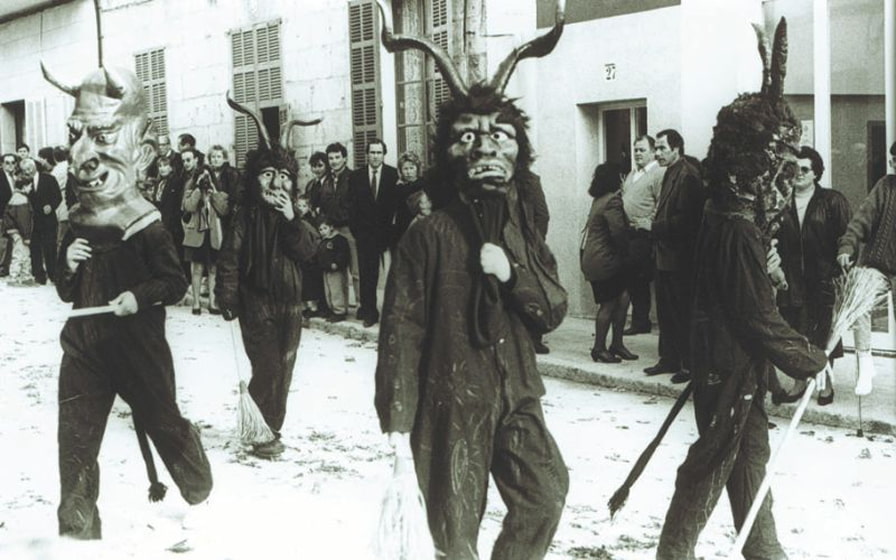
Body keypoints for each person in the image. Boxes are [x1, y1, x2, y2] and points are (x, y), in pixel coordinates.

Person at [374, 3, 568, 556]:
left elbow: (553, 307)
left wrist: (512, 275)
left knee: (546, 495)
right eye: (468, 139)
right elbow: (401, 330)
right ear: (447, 153)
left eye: (501, 137)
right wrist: (396, 416)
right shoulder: (427, 234)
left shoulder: (522, 221)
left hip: (518, 394)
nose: (486, 149)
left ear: (518, 149)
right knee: (453, 528)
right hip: (450, 400)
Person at [655, 19, 829, 559]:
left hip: (734, 367)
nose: (783, 185)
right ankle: (675, 552)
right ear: (749, 170)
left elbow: (754, 301)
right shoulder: (733, 227)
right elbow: (756, 317)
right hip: (726, 367)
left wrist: (772, 273)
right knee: (711, 465)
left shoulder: (733, 221)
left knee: (750, 460)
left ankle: (764, 550)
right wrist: (810, 357)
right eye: (776, 171)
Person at [44, 63, 212, 539]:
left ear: (141, 149)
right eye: (77, 135)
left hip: (138, 347)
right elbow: (65, 291)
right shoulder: (76, 219)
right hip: (84, 347)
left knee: (164, 424)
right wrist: (70, 265)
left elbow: (173, 283)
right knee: (74, 438)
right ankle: (77, 528)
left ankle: (198, 488)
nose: (81, 156)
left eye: (101, 135)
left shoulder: (147, 223)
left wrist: (138, 298)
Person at [215, 97, 319, 459]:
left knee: (285, 367)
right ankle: (259, 426)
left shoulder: (296, 217)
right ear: (255, 178)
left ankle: (270, 428)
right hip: (255, 300)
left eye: (284, 176)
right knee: (268, 364)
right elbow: (229, 257)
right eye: (268, 174)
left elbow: (309, 252)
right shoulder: (245, 216)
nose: (276, 182)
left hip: (290, 302)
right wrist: (227, 296)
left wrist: (292, 219)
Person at [770, 146, 850, 406]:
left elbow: (846, 238)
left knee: (824, 332)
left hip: (823, 278)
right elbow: (772, 239)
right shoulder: (780, 202)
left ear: (816, 172)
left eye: (805, 169)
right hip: (791, 279)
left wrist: (841, 273)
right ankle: (800, 382)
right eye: (794, 169)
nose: (799, 174)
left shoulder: (832, 200)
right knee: (795, 331)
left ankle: (825, 384)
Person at [644, 129, 704, 384]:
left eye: (661, 148)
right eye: (656, 148)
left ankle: (689, 365)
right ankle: (668, 359)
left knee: (682, 312)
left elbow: (688, 221)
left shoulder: (688, 175)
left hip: (681, 259)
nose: (657, 153)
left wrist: (654, 227)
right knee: (666, 311)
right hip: (665, 256)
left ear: (676, 148)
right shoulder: (671, 171)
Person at [837, 140, 896, 396]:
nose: (894, 166)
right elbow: (861, 220)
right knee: (858, 299)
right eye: (894, 161)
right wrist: (846, 248)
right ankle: (865, 361)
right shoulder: (885, 186)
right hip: (878, 266)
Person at [581, 162, 638, 363]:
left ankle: (617, 344)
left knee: (623, 298)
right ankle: (599, 348)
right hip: (606, 260)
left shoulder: (599, 199)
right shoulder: (613, 200)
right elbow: (618, 232)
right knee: (609, 304)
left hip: (594, 258)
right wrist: (627, 252)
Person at [348, 138, 399, 327]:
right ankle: (369, 310)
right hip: (364, 235)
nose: (375, 156)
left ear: (383, 154)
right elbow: (351, 205)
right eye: (372, 152)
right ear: (367, 154)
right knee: (367, 274)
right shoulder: (356, 176)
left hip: (387, 234)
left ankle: (391, 311)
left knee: (390, 274)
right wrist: (356, 230)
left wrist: (391, 231)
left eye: (379, 152)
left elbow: (396, 205)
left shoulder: (393, 175)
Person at [620, 134, 665, 335]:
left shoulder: (658, 174)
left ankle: (641, 321)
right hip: (628, 233)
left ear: (653, 152)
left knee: (641, 278)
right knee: (632, 278)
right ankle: (640, 321)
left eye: (642, 150)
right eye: (635, 150)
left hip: (644, 236)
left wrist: (650, 223)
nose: (637, 154)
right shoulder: (632, 174)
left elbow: (661, 202)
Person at [181, 148, 225, 314]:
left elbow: (224, 210)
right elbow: (189, 207)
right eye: (202, 176)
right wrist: (199, 189)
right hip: (196, 236)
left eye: (208, 176)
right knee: (197, 269)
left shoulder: (218, 193)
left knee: (213, 269)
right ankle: (196, 304)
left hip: (212, 235)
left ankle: (213, 303)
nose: (205, 179)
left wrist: (213, 193)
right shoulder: (190, 191)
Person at [321, 142, 359, 306]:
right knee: (337, 269)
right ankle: (340, 305)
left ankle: (360, 303)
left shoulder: (354, 178)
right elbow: (324, 204)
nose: (334, 161)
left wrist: (342, 218)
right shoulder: (327, 181)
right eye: (331, 158)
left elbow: (355, 205)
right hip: (332, 230)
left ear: (345, 158)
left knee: (355, 269)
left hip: (349, 229)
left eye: (337, 157)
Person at [21, 157, 62, 285]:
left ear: (33, 167)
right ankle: (39, 276)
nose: (27, 172)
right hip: (33, 221)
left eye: (28, 169)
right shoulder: (23, 182)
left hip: (48, 220)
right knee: (35, 248)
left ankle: (53, 275)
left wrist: (51, 206)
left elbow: (58, 196)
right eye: (24, 170)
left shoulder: (49, 179)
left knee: (50, 247)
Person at [296, 195, 327, 318]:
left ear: (309, 208)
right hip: (300, 253)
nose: (301, 208)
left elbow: (316, 236)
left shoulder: (312, 221)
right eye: (299, 205)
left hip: (311, 254)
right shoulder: (294, 219)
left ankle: (313, 307)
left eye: (304, 206)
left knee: (311, 281)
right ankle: (304, 306)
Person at [317, 217, 350, 323]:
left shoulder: (339, 239)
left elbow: (343, 253)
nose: (322, 231)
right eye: (320, 229)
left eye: (325, 228)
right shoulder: (323, 241)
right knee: (329, 291)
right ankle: (332, 309)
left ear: (331, 227)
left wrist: (337, 263)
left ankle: (339, 311)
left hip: (335, 270)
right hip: (326, 269)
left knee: (337, 290)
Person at [392, 150, 424, 247]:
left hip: (418, 226)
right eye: (405, 168)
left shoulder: (423, 184)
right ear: (401, 170)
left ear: (417, 169)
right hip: (401, 226)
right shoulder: (398, 187)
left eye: (411, 168)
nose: (409, 172)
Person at [0, 153, 15, 276]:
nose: (10, 165)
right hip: (3, 214)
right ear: (2, 164)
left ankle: (6, 266)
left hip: (14, 215)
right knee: (2, 242)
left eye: (13, 162)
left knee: (10, 241)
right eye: (7, 162)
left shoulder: (16, 177)